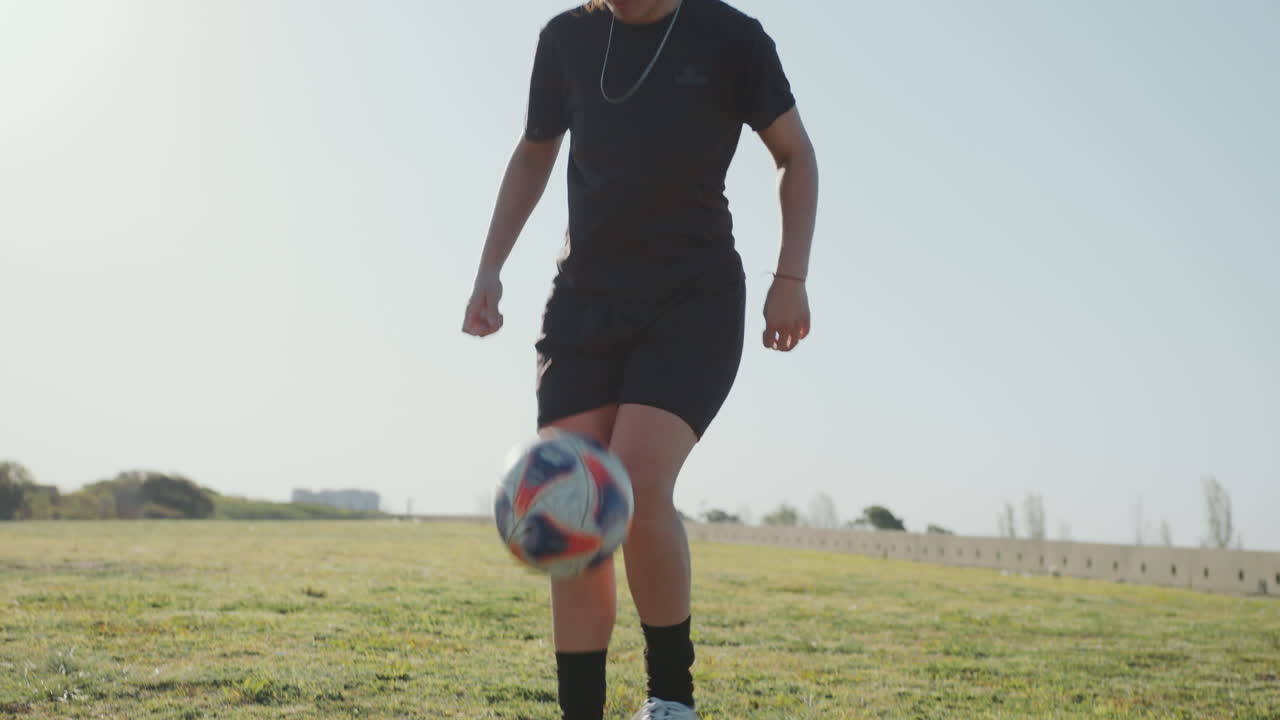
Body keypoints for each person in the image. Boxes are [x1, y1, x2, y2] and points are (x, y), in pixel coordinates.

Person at [462, 0, 817, 717]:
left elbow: (794, 154)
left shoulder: (733, 38)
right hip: (585, 304)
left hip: (693, 299)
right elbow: (535, 151)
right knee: (573, 501)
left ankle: (670, 701)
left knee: (637, 482)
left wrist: (792, 278)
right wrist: (489, 267)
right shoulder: (566, 39)